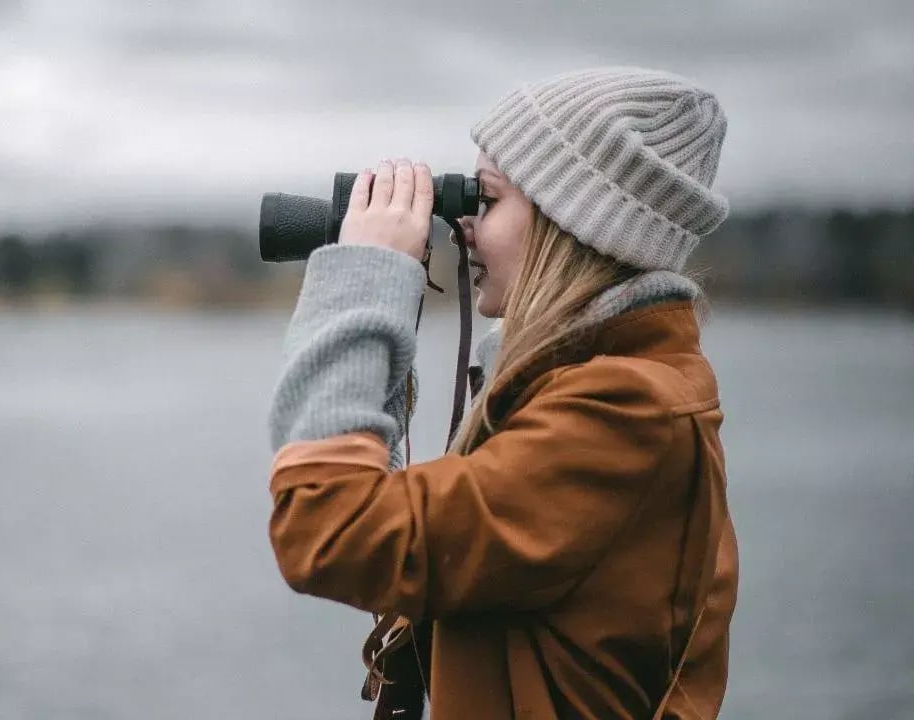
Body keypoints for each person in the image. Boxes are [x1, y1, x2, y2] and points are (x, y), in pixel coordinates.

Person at [265, 67, 738, 719]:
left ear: (569, 219)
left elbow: (328, 529)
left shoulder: (623, 412)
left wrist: (364, 281)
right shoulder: (616, 387)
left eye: (485, 199)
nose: (460, 226)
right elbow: (421, 545)